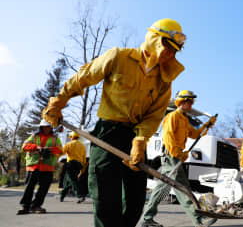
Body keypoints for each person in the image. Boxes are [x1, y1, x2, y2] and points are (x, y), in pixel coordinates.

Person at [41, 18, 186, 227]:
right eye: (166, 45)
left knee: (135, 200)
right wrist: (59, 101)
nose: (169, 53)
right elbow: (85, 77)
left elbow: (155, 115)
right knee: (106, 197)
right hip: (107, 133)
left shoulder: (164, 79)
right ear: (153, 38)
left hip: (135, 138)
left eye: (174, 51)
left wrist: (141, 139)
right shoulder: (119, 57)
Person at [141, 90, 217, 227]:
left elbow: (194, 134)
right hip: (171, 156)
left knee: (164, 188)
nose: (191, 104)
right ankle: (198, 220)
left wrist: (207, 125)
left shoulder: (184, 118)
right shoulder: (172, 117)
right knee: (182, 189)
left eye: (192, 102)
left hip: (175, 157)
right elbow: (168, 137)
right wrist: (177, 153)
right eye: (189, 101)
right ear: (182, 102)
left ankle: (147, 219)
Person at [17, 119, 62, 215]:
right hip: (34, 165)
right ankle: (25, 206)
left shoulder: (55, 138)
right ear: (41, 127)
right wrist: (37, 148)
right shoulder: (34, 136)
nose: (47, 128)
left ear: (51, 128)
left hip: (47, 166)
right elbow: (24, 146)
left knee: (43, 188)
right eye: (45, 127)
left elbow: (59, 150)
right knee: (29, 187)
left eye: (49, 127)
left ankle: (36, 206)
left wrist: (49, 150)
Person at [60, 131, 86, 203]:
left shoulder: (69, 144)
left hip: (70, 164)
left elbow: (62, 152)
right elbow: (84, 158)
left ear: (71, 137)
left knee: (73, 180)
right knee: (70, 180)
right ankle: (62, 194)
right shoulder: (82, 145)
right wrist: (82, 168)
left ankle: (80, 195)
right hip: (79, 165)